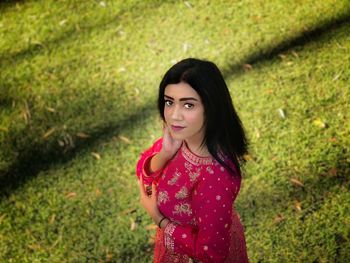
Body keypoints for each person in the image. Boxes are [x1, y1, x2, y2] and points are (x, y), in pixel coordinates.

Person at [136, 58, 249, 263]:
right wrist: (164, 154)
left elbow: (211, 254)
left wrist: (160, 220)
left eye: (188, 105)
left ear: (211, 107)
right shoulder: (178, 141)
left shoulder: (216, 178)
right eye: (169, 102)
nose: (174, 116)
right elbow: (142, 175)